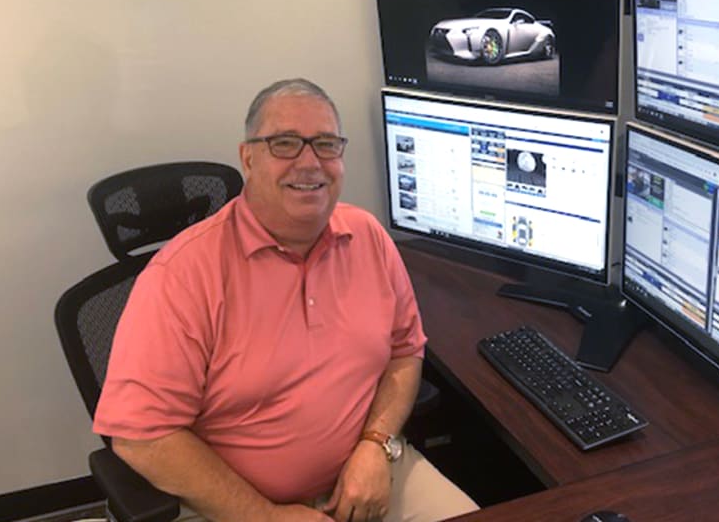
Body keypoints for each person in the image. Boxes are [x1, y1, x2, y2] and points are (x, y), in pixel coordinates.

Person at [93, 79, 479, 522]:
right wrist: (265, 516)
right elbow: (141, 437)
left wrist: (376, 444)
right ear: (248, 158)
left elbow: (405, 351)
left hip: (371, 469)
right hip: (234, 505)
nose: (309, 162)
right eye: (285, 143)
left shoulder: (368, 236)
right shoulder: (181, 275)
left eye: (326, 144)